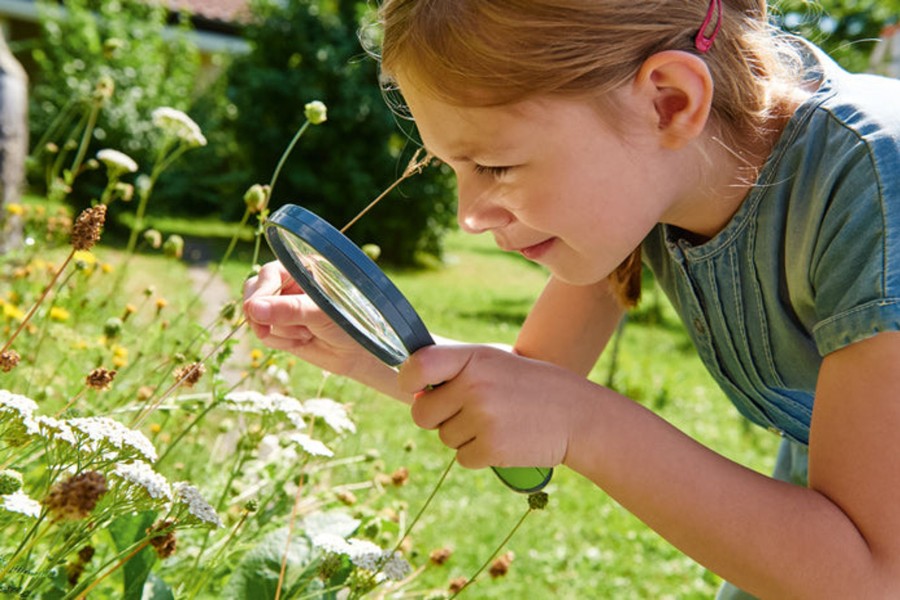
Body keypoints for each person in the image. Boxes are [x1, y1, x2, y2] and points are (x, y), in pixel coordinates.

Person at [243, 0, 900, 596]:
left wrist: (587, 424)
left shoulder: (875, 182)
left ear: (670, 102)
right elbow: (535, 385)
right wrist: (369, 349)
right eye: (455, 168)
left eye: (496, 166)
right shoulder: (657, 177)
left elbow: (870, 574)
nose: (469, 215)